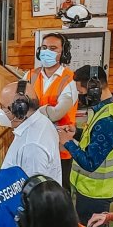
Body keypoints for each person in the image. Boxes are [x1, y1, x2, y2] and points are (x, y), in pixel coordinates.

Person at [59, 65, 113, 225]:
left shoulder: (108, 120)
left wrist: (67, 142)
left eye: (82, 93)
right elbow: (95, 139)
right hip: (96, 187)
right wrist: (76, 133)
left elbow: (90, 162)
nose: (80, 98)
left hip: (96, 191)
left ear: (93, 90)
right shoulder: (111, 106)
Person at [25, 33, 79, 178]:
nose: (47, 51)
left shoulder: (71, 80)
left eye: (53, 48)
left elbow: (56, 114)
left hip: (59, 147)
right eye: (44, 47)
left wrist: (30, 111)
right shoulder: (30, 75)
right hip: (34, 144)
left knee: (59, 187)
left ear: (63, 53)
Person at [0, 80, 63, 184]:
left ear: (19, 110)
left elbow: (33, 190)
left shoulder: (32, 146)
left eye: (2, 107)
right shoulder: (41, 120)